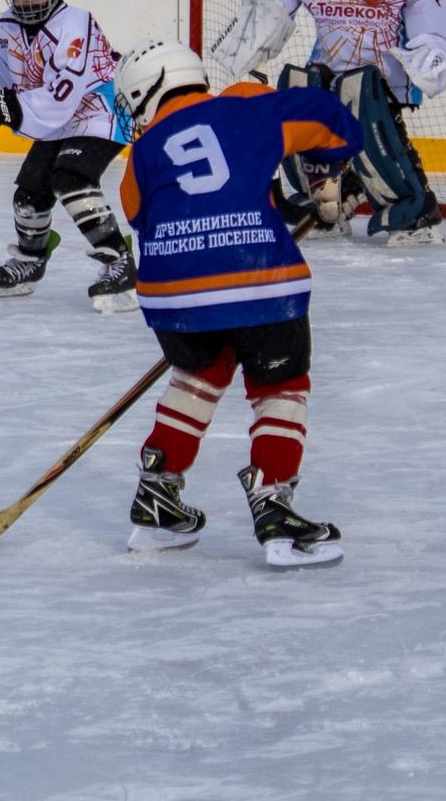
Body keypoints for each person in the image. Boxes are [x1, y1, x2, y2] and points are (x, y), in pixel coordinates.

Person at [112, 39, 360, 567]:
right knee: (279, 385)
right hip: (257, 277)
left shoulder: (144, 149)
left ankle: (157, 493)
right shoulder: (251, 106)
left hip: (168, 290)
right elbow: (332, 118)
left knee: (199, 372)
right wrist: (325, 173)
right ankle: (274, 506)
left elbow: (135, 211)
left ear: (145, 93)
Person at [206, 0, 446, 244]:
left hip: (378, 79)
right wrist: (253, 34)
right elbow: (272, 3)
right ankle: (324, 203)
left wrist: (428, 62)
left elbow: (432, 33)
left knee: (363, 108)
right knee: (296, 92)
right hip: (326, 71)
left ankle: (416, 211)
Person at [0, 0, 135, 310]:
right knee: (28, 195)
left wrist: (6, 108)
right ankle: (31, 258)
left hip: (101, 109)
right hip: (57, 115)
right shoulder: (6, 26)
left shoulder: (74, 23)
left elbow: (63, 95)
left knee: (71, 180)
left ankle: (120, 261)